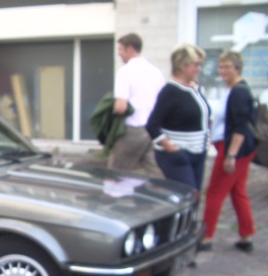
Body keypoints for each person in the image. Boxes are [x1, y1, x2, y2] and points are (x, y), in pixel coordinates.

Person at [200, 51, 258, 253]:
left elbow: (241, 126)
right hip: (239, 148)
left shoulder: (239, 92)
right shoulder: (235, 89)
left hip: (234, 149)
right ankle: (246, 235)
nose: (223, 71)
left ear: (237, 68)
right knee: (238, 192)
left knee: (215, 192)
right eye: (221, 67)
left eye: (227, 67)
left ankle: (206, 238)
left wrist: (231, 155)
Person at [146, 44, 210, 191]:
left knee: (194, 198)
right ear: (183, 65)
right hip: (179, 155)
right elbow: (152, 125)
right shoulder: (170, 91)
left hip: (198, 152)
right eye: (196, 65)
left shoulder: (196, 88)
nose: (199, 69)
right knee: (188, 195)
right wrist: (173, 149)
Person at [109, 33, 165, 177]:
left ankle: (111, 198)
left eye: (121, 49)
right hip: (153, 130)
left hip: (133, 129)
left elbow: (120, 107)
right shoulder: (156, 72)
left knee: (116, 172)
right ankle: (160, 196)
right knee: (154, 170)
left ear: (130, 49)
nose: (119, 53)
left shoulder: (125, 72)